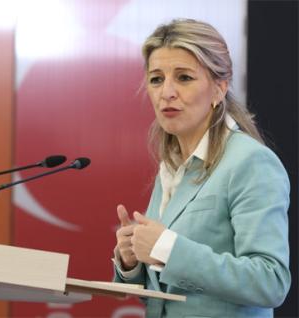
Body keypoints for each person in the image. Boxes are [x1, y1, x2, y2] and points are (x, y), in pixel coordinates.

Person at [113, 19, 290, 318]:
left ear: (219, 89)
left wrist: (167, 248)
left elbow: (270, 281)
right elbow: (169, 296)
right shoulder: (170, 167)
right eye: (156, 79)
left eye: (183, 77)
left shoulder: (250, 162)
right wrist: (132, 261)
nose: (166, 92)